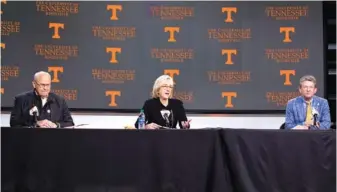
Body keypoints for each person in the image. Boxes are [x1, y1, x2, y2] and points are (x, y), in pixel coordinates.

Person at [10, 71, 74, 128]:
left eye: (48, 85)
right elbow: (14, 123)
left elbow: (70, 123)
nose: (45, 88)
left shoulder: (60, 100)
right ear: (34, 84)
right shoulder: (21, 99)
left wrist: (56, 125)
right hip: (30, 139)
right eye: (42, 85)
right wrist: (35, 124)